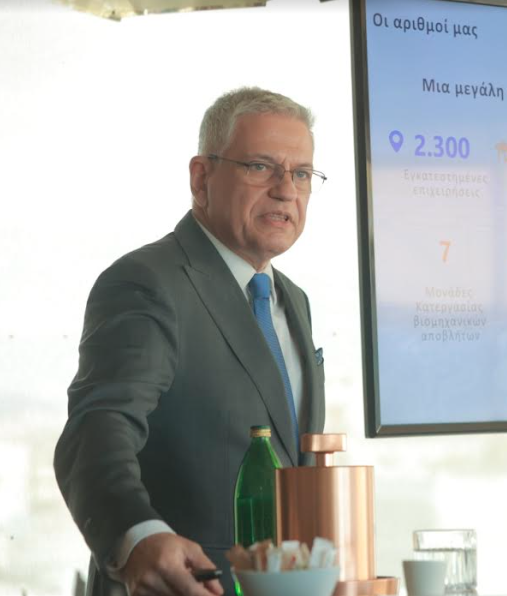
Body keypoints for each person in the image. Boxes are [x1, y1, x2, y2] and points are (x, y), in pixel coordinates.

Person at [54, 87, 327, 596]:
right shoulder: (147, 281)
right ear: (202, 178)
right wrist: (139, 537)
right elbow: (98, 429)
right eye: (261, 167)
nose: (286, 190)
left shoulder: (294, 301)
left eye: (303, 174)